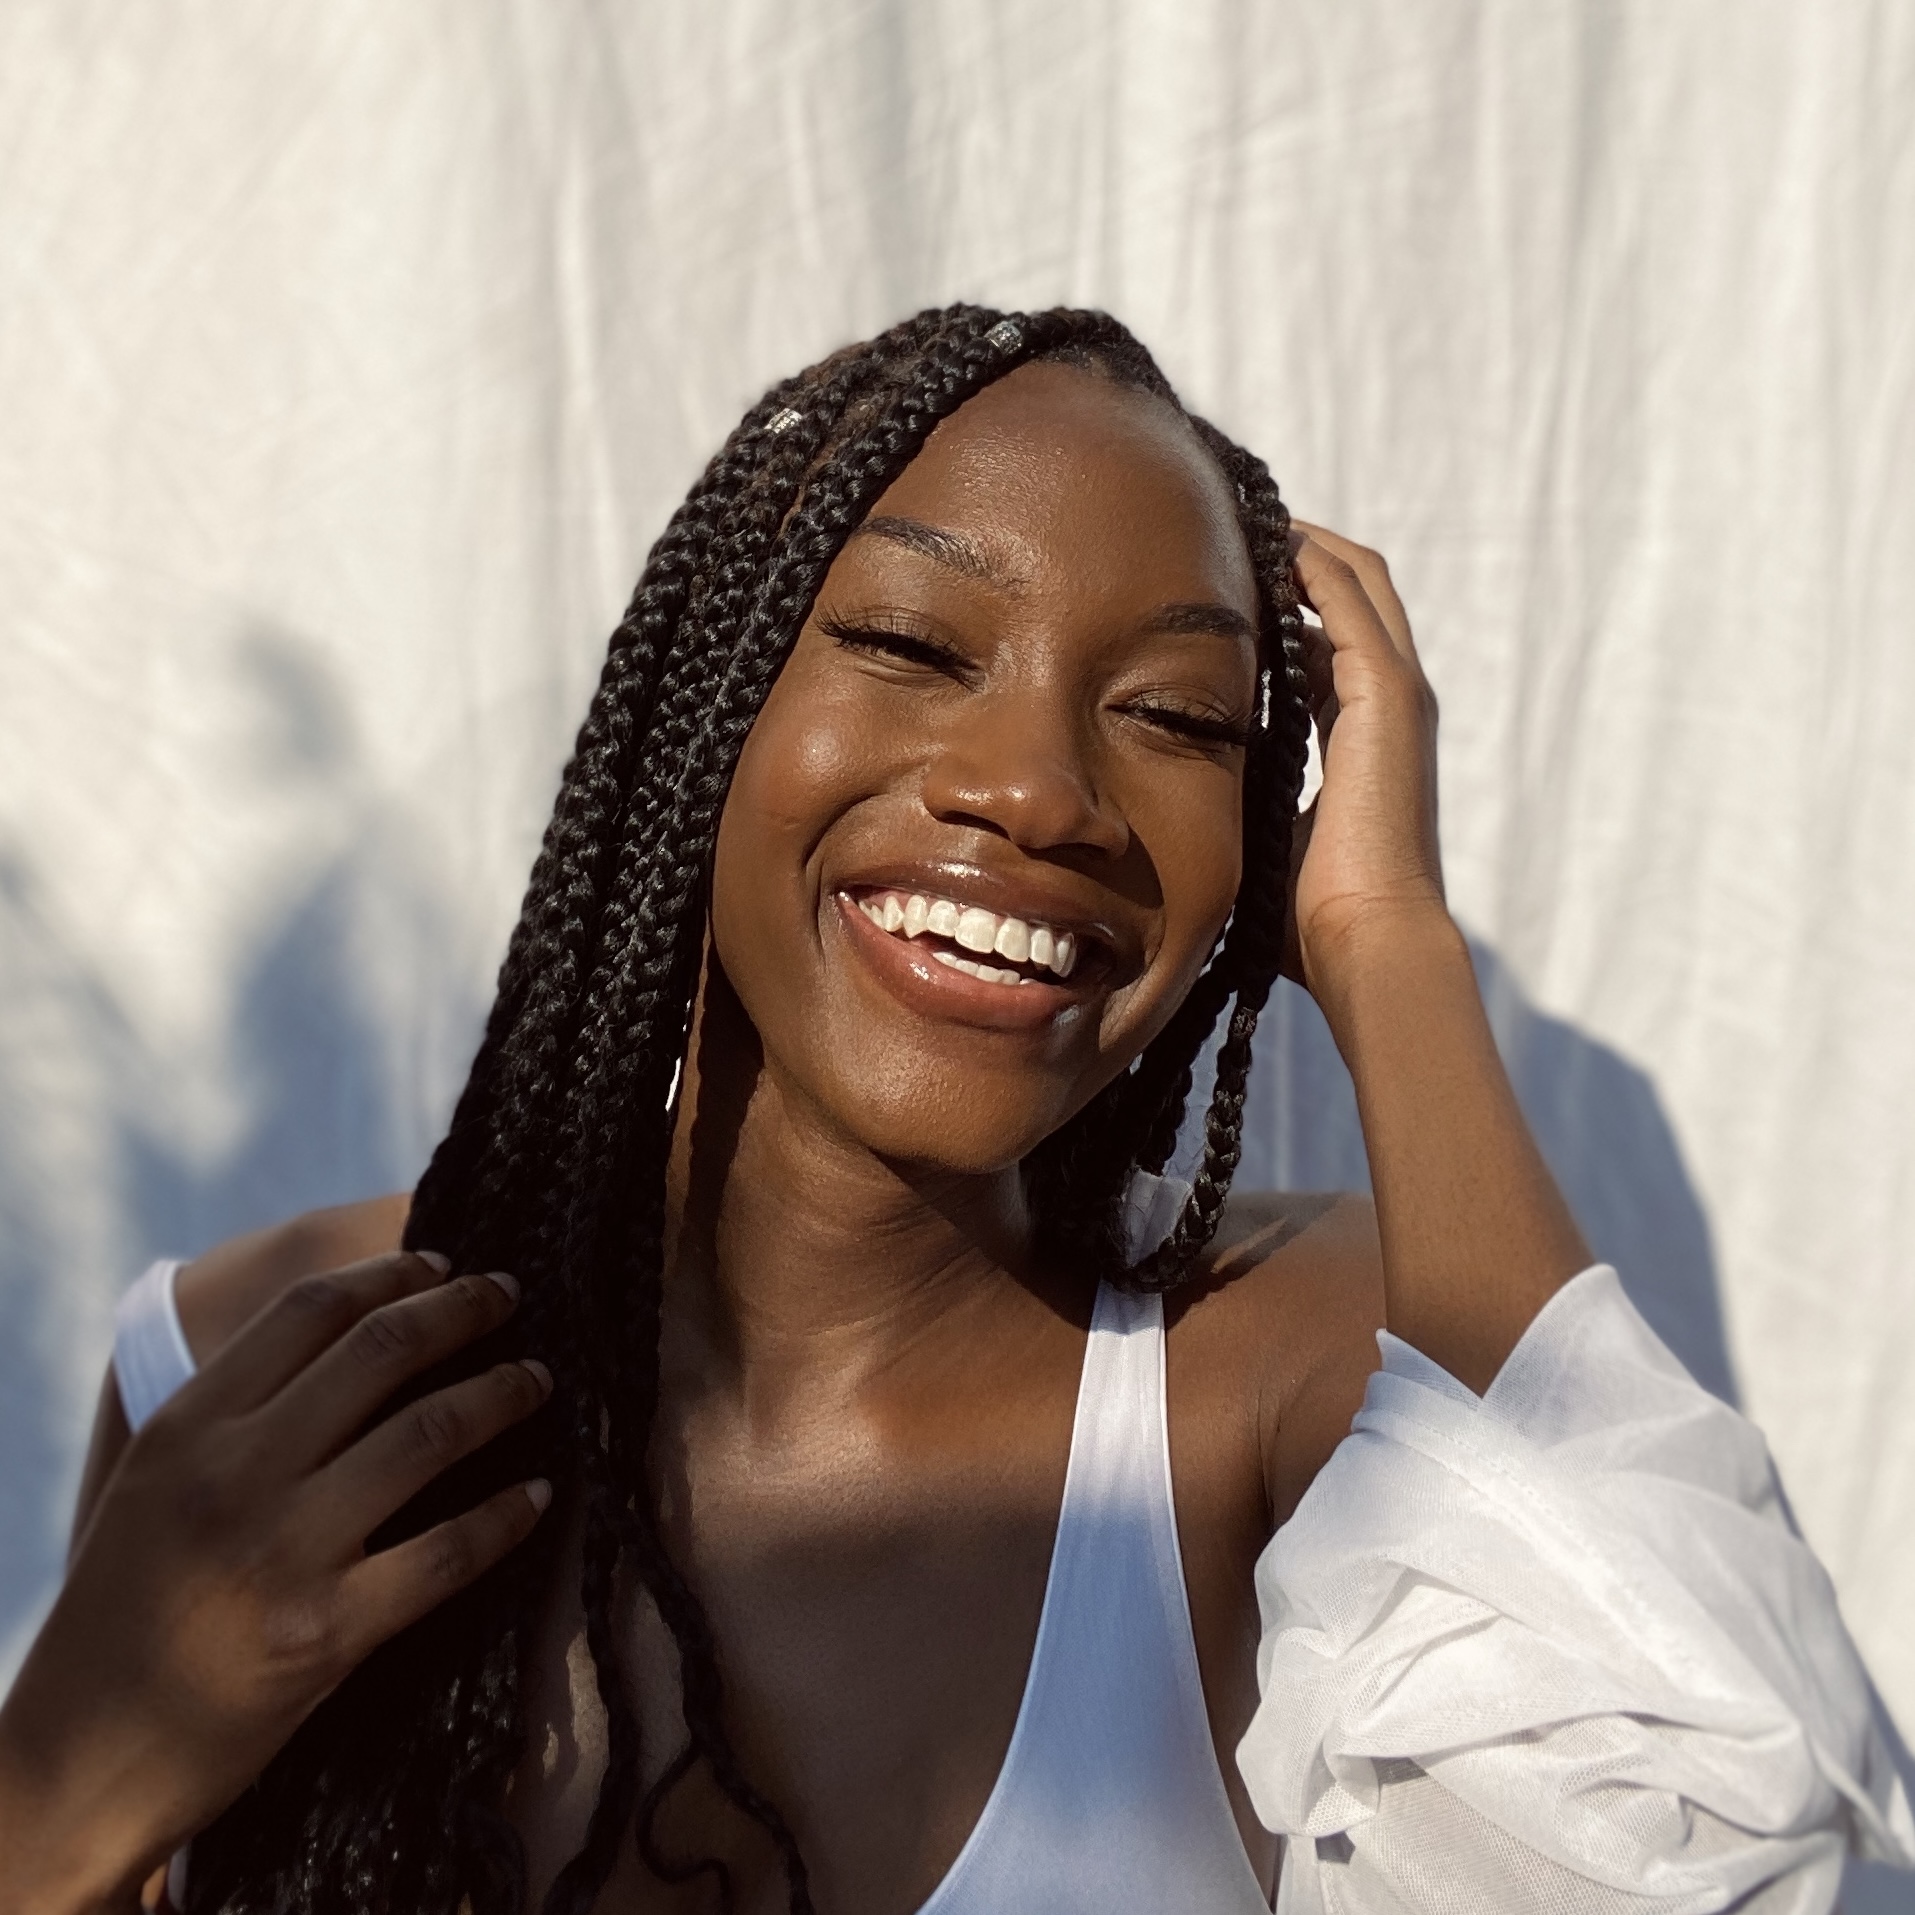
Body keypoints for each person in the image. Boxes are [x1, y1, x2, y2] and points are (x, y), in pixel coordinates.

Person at [0, 307, 1906, 1915]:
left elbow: (1703, 1837)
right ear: (702, 709)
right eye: (915, 647)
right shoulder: (256, 1374)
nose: (1041, 790)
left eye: (1179, 719)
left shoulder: (1285, 1375)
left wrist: (1389, 939)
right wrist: (58, 1789)